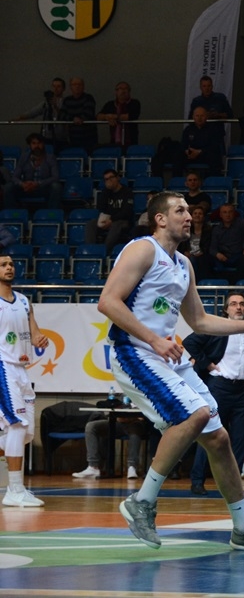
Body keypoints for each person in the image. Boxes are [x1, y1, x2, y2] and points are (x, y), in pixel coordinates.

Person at [99, 192, 244, 550]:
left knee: (218, 439)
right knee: (195, 414)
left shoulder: (184, 263)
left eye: (189, 210)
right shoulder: (142, 250)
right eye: (180, 210)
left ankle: (243, 528)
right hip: (134, 351)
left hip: (166, 357)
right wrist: (154, 340)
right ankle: (142, 501)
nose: (190, 216)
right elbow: (107, 301)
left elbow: (199, 321)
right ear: (159, 218)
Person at [184, 291, 244, 496]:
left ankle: (233, 485)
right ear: (226, 309)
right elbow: (189, 342)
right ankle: (197, 480)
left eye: (242, 304)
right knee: (210, 434)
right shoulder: (218, 328)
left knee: (239, 440)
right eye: (234, 304)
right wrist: (207, 364)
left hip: (241, 389)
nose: (238, 307)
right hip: (219, 387)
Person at [0, 253, 49, 506]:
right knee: (17, 427)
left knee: (26, 433)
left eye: (11, 264)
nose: (9, 268)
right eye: (3, 265)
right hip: (2, 366)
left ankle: (16, 489)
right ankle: (14, 490)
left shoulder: (23, 300)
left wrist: (40, 340)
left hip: (21, 368)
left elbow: (35, 333)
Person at [72, 410, 148, 480]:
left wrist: (132, 418)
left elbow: (144, 416)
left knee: (135, 430)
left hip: (137, 424)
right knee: (91, 426)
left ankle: (132, 466)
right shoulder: (123, 399)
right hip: (119, 423)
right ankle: (93, 466)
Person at [4, 133, 63, 210]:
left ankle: (52, 213)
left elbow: (55, 177)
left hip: (43, 188)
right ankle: (11, 214)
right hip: (26, 188)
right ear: (30, 145)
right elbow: (14, 177)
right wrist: (22, 184)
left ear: (43, 144)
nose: (37, 146)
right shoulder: (24, 157)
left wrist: (38, 183)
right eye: (34, 143)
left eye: (39, 143)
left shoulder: (50, 158)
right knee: (8, 187)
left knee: (56, 186)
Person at [85, 168, 135, 256]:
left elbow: (126, 212)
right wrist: (107, 191)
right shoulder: (106, 192)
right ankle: (90, 250)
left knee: (116, 225)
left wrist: (111, 220)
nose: (109, 181)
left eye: (111, 177)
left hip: (123, 220)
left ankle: (105, 251)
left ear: (118, 178)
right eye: (106, 179)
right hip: (108, 219)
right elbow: (101, 208)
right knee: (91, 224)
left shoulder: (127, 192)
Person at [16, 76, 67, 147]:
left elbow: (65, 117)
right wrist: (18, 118)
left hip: (60, 138)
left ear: (63, 89)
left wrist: (55, 106)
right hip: (46, 137)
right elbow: (33, 112)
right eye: (54, 86)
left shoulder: (67, 102)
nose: (55, 89)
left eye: (58, 86)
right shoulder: (46, 103)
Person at [208, 203, 244, 281]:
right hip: (222, 257)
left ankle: (238, 284)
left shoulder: (241, 226)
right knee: (205, 259)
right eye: (225, 212)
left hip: (237, 256)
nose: (227, 215)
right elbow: (212, 248)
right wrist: (217, 254)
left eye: (230, 212)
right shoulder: (216, 229)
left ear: (234, 213)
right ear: (220, 215)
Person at [96, 81, 141, 147]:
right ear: (116, 92)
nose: (123, 91)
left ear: (129, 91)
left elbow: (132, 116)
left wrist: (114, 117)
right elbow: (98, 116)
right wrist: (106, 117)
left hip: (131, 140)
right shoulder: (110, 104)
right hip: (114, 140)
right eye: (120, 89)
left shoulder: (135, 103)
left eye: (125, 89)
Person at [181, 107, 224, 175]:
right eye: (197, 116)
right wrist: (187, 151)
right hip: (191, 155)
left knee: (214, 156)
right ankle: (177, 180)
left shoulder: (213, 129)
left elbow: (214, 146)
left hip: (205, 154)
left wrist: (199, 152)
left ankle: (213, 180)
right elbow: (183, 144)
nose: (199, 118)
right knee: (178, 156)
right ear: (193, 117)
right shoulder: (188, 129)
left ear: (206, 117)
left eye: (202, 116)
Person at [63, 76, 98, 152]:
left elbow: (88, 114)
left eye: (79, 84)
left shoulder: (88, 98)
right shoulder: (67, 100)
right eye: (74, 84)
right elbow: (62, 115)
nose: (77, 86)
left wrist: (79, 119)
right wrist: (73, 119)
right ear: (70, 87)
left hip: (89, 137)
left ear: (83, 86)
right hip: (73, 137)